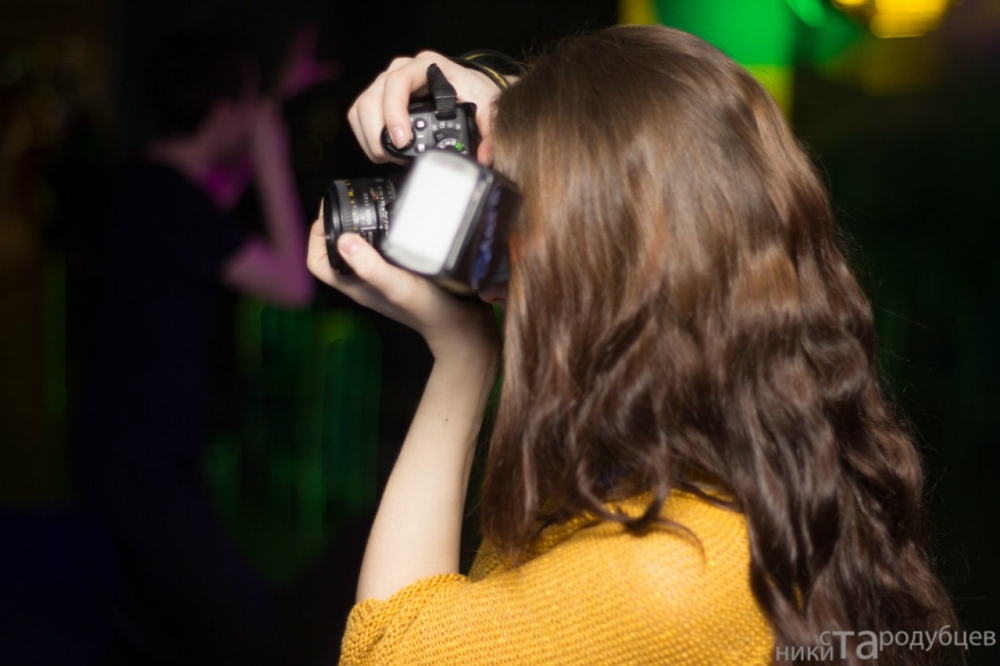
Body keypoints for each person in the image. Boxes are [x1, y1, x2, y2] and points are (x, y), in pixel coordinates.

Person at [307, 26, 957, 665]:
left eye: (503, 205)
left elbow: (388, 649)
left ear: (598, 261)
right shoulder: (739, 448)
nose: (480, 235)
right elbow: (654, 162)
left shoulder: (670, 576)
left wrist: (462, 359)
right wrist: (502, 99)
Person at [71, 27, 330, 665]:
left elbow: (221, 199)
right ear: (221, 113)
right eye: (248, 102)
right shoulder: (176, 204)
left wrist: (274, 100)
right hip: (144, 467)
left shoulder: (149, 182)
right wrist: (272, 151)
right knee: (251, 636)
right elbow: (294, 285)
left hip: (127, 453)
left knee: (173, 628)